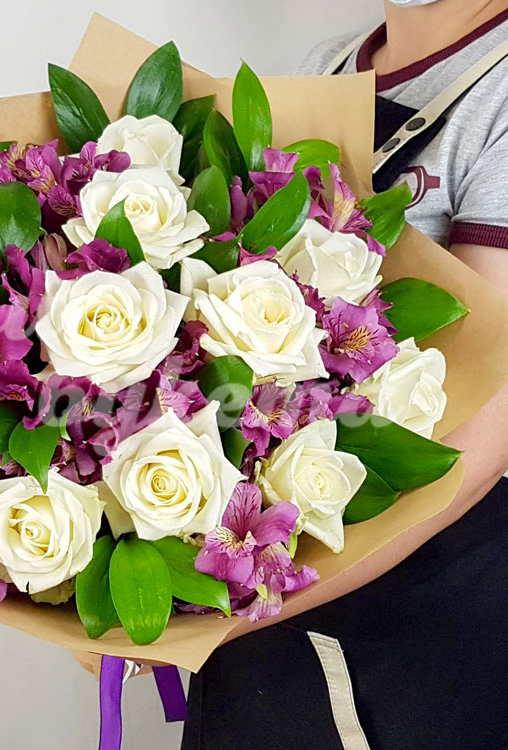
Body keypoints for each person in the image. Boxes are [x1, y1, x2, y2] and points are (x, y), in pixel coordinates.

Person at [181, 2, 508, 748]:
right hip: (263, 615)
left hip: (424, 629)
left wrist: (212, 613)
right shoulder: (323, 67)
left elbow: (484, 436)